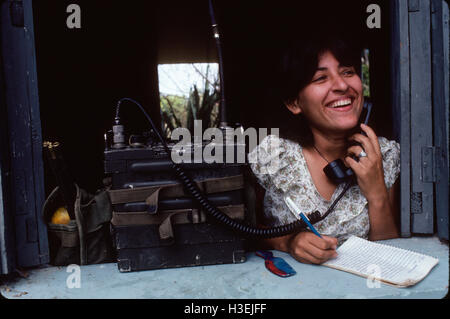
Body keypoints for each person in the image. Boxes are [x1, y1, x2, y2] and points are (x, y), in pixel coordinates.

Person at [247, 34, 400, 265]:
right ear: (294, 103)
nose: (342, 86)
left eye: (348, 72)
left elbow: (392, 258)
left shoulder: (384, 154)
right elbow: (242, 231)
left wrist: (377, 194)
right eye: (320, 78)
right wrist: (288, 242)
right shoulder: (272, 155)